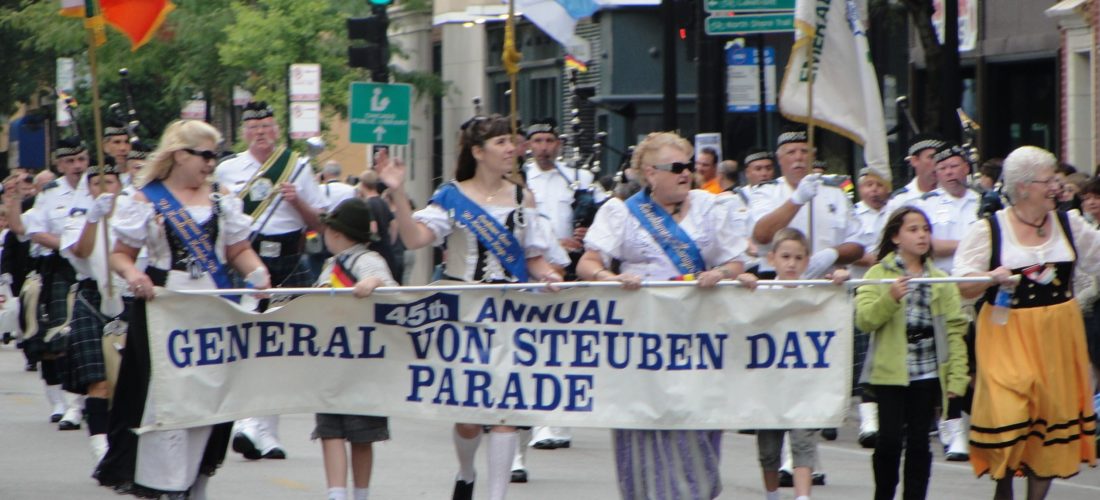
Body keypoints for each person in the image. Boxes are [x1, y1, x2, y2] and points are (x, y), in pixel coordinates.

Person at [376, 114, 562, 500]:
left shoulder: (522, 197)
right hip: (463, 309)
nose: (512, 149)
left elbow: (533, 258)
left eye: (512, 142)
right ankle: (465, 473)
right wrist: (397, 193)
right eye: (501, 143)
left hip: (511, 311)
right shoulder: (452, 196)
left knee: (505, 412)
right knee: (468, 419)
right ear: (477, 152)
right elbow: (414, 240)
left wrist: (549, 275)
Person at [97, 119, 270, 498]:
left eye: (215, 156)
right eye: (205, 155)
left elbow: (238, 250)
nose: (211, 163)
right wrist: (133, 275)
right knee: (163, 401)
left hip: (212, 313)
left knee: (208, 401)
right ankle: (164, 483)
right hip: (164, 312)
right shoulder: (147, 198)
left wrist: (257, 273)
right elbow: (120, 255)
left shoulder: (223, 200)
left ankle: (196, 484)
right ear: (180, 155)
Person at [576, 131, 749, 500]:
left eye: (689, 165)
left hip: (699, 337)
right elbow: (588, 263)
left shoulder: (711, 206)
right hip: (644, 341)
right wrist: (612, 277)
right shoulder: (621, 212)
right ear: (650, 173)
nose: (686, 173)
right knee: (646, 427)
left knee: (697, 427)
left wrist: (721, 273)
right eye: (676, 167)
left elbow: (736, 260)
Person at [953, 146, 1097, 500]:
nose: (1056, 188)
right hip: (1006, 333)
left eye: (1056, 180)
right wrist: (989, 277)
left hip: (1059, 335)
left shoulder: (1070, 224)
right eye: (1048, 181)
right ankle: (1003, 487)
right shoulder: (989, 229)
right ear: (1023, 188)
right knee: (1009, 412)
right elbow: (962, 285)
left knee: (1049, 421)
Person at [216, 101, 326, 460]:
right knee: (248, 342)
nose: (261, 133)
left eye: (266, 126)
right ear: (245, 133)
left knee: (282, 346)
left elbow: (320, 224)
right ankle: (248, 423)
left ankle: (266, 433)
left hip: (290, 258)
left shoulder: (298, 167)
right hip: (247, 259)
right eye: (253, 127)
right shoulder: (228, 170)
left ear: (277, 130)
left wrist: (297, 203)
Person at [855, 207, 970, 500]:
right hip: (889, 373)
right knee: (889, 442)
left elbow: (955, 329)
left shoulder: (939, 278)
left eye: (925, 229)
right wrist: (890, 298)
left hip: (928, 370)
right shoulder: (878, 274)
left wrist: (957, 376)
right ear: (895, 236)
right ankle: (884, 494)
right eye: (913, 229)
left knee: (920, 444)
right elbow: (865, 319)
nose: (922, 235)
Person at [735, 228, 848, 500]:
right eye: (785, 257)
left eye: (798, 258)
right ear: (772, 258)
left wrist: (841, 279)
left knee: (803, 440)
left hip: (803, 383)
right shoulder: (762, 289)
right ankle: (771, 494)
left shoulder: (816, 292)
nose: (791, 264)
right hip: (768, 384)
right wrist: (742, 282)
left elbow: (835, 306)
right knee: (769, 448)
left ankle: (802, 496)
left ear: (807, 261)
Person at [312, 198, 396, 500]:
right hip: (332, 360)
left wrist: (372, 282)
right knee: (330, 430)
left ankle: (361, 493)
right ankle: (337, 493)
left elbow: (388, 287)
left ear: (335, 233)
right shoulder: (330, 266)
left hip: (363, 363)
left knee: (362, 435)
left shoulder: (368, 261)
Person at [909, 143, 981, 461]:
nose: (951, 172)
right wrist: (974, 242)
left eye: (956, 165)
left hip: (982, 290)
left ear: (966, 168)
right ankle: (953, 426)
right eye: (944, 168)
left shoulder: (982, 202)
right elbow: (930, 246)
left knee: (977, 362)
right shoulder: (926, 205)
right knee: (952, 359)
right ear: (936, 173)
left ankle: (967, 421)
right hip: (944, 290)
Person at [19, 136, 93, 432]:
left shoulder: (100, 187)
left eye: (82, 160)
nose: (77, 166)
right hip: (61, 266)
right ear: (60, 164)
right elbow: (32, 230)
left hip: (94, 266)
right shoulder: (50, 193)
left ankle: (88, 400)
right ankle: (69, 404)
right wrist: (66, 245)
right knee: (62, 338)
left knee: (90, 337)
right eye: (70, 161)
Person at [58, 156, 127, 464]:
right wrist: (94, 219)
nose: (103, 189)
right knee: (97, 380)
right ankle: (101, 447)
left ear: (119, 184)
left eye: (109, 182)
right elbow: (80, 251)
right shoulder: (78, 215)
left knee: (127, 380)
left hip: (129, 297)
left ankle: (122, 441)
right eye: (96, 183)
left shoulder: (134, 212)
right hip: (92, 296)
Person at [848, 167, 893, 449]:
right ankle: (863, 416)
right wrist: (876, 259)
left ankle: (879, 416)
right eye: (869, 185)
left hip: (892, 292)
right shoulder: (852, 214)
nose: (875, 190)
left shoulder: (895, 212)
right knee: (862, 358)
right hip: (861, 292)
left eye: (879, 184)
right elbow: (852, 250)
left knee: (881, 357)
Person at [884, 134, 943, 215]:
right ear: (914, 161)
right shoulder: (900, 201)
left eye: (940, 158)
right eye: (931, 157)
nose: (937, 163)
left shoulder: (951, 194)